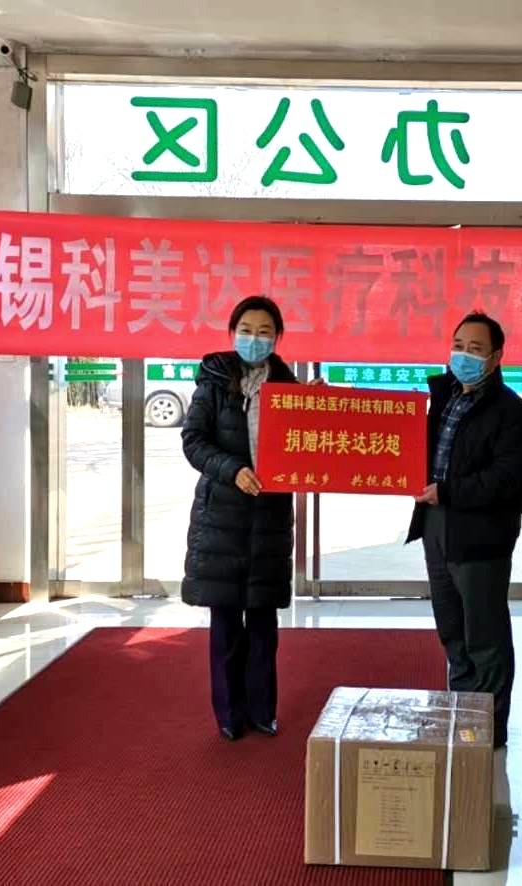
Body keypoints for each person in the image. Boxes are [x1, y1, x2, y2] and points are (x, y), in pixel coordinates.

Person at [406, 312, 522, 750]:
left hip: (481, 534)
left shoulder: (512, 411)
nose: (464, 355)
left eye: (475, 349)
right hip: (437, 526)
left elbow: (507, 478)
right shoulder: (444, 399)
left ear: (496, 357)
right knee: (452, 630)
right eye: (458, 345)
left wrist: (449, 491)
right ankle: (462, 715)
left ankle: (489, 731)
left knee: (485, 636)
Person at [181, 295, 299, 742]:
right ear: (233, 333)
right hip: (222, 518)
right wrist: (232, 470)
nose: (255, 338)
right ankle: (229, 714)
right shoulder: (213, 380)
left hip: (269, 519)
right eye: (247, 330)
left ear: (277, 337)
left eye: (264, 331)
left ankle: (263, 711)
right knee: (226, 624)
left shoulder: (287, 384)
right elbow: (194, 440)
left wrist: (317, 406)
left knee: (264, 625)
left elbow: (304, 442)